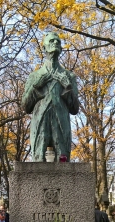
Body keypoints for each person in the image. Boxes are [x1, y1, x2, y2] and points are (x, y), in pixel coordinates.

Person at [22, 32, 80, 162]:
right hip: (39, 124)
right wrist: (36, 87)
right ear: (44, 48)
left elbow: (75, 108)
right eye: (52, 41)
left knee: (63, 162)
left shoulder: (69, 76)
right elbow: (25, 106)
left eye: (58, 42)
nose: (55, 43)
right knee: (37, 162)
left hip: (61, 124)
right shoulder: (34, 76)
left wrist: (68, 87)